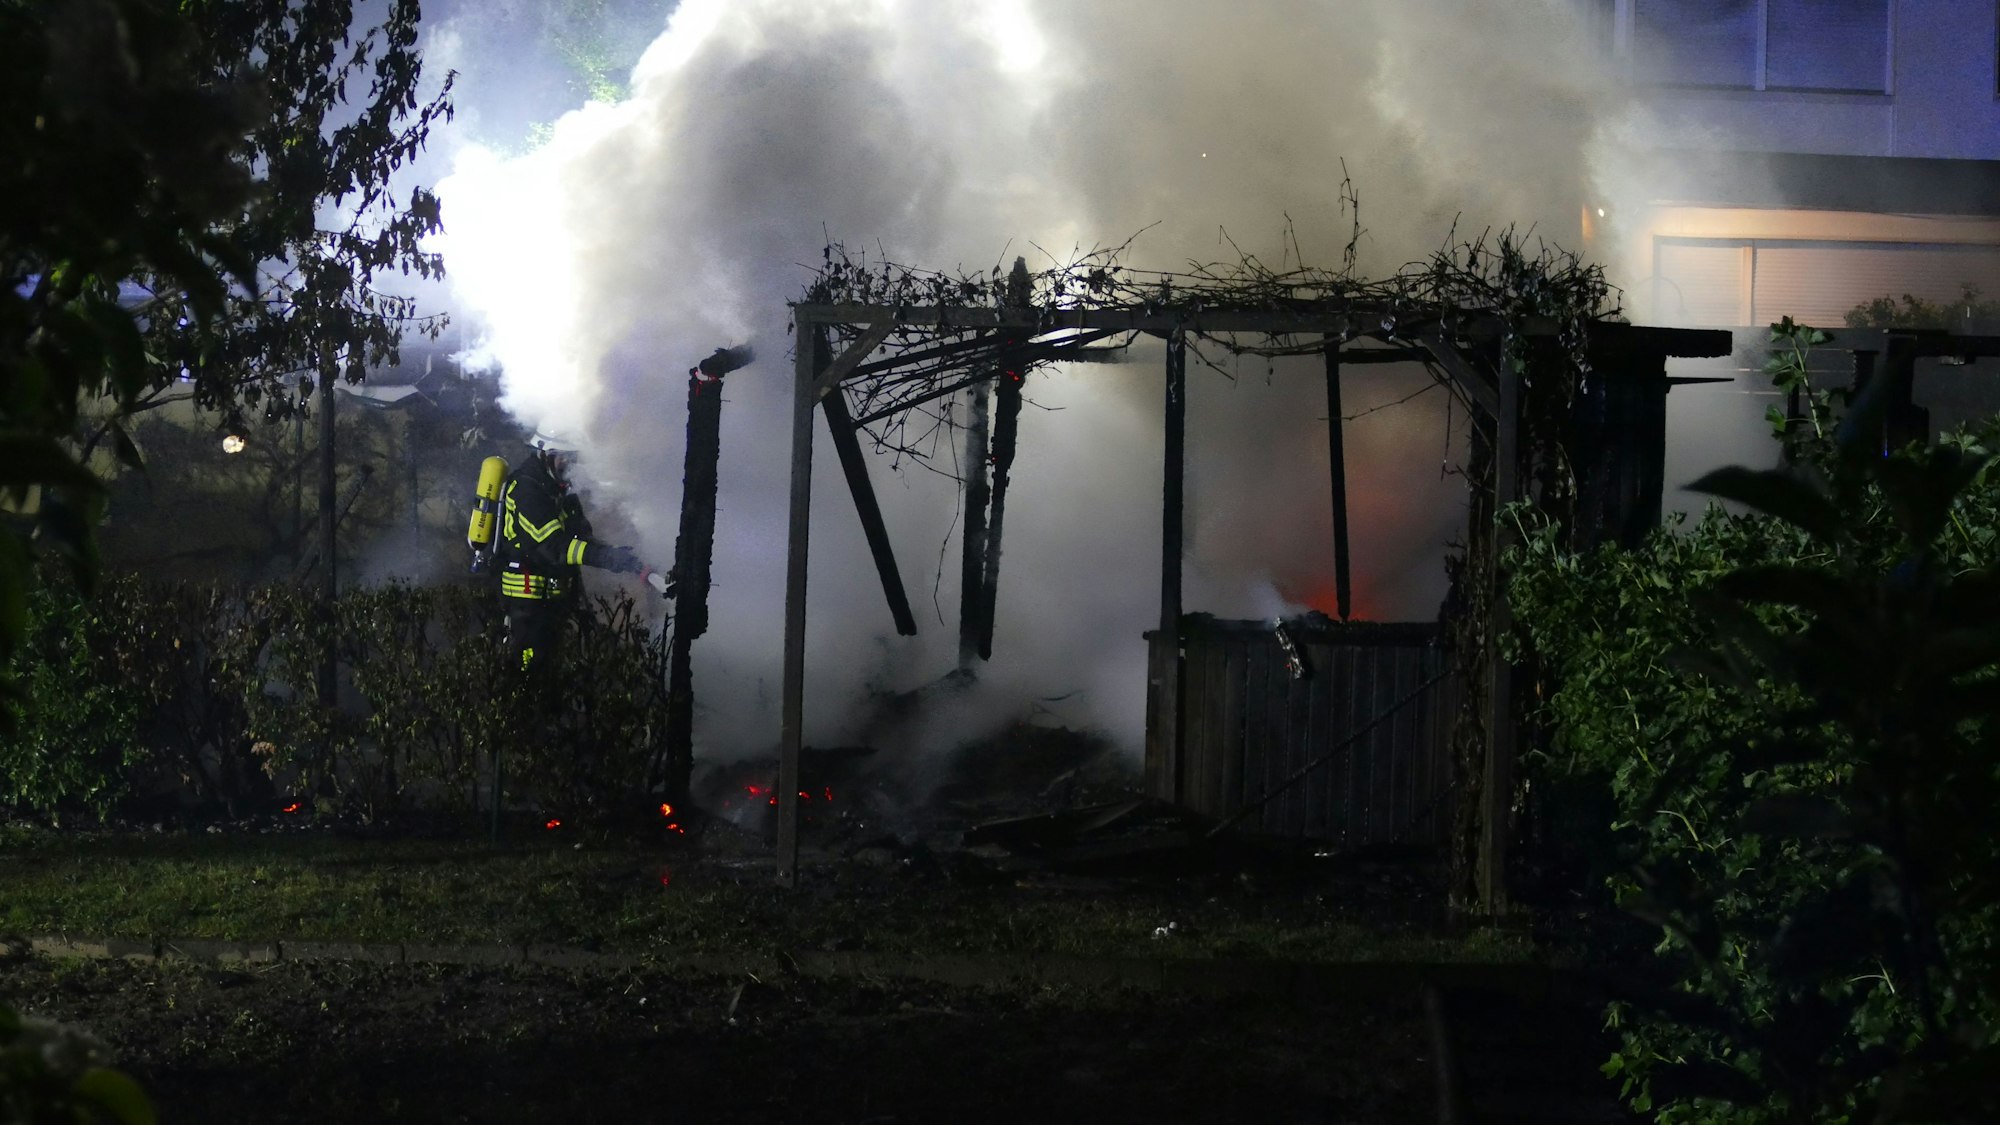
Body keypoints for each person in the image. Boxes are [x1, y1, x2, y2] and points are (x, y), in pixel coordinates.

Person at [492, 430, 643, 673]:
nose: (569, 463)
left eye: (572, 456)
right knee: (530, 673)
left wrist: (620, 557)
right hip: (526, 599)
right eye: (563, 456)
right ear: (544, 454)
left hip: (555, 597)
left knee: (556, 670)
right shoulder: (526, 489)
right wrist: (604, 558)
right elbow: (554, 546)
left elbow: (582, 537)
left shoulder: (560, 490)